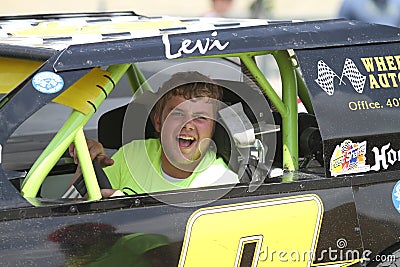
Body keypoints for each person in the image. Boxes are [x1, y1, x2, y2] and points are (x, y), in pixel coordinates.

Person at [69, 71, 238, 198]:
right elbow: (73, 210)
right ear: (158, 122)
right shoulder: (133, 153)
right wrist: (86, 164)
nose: (188, 125)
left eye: (200, 117)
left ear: (213, 128)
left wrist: (125, 212)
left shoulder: (221, 182)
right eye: (177, 114)